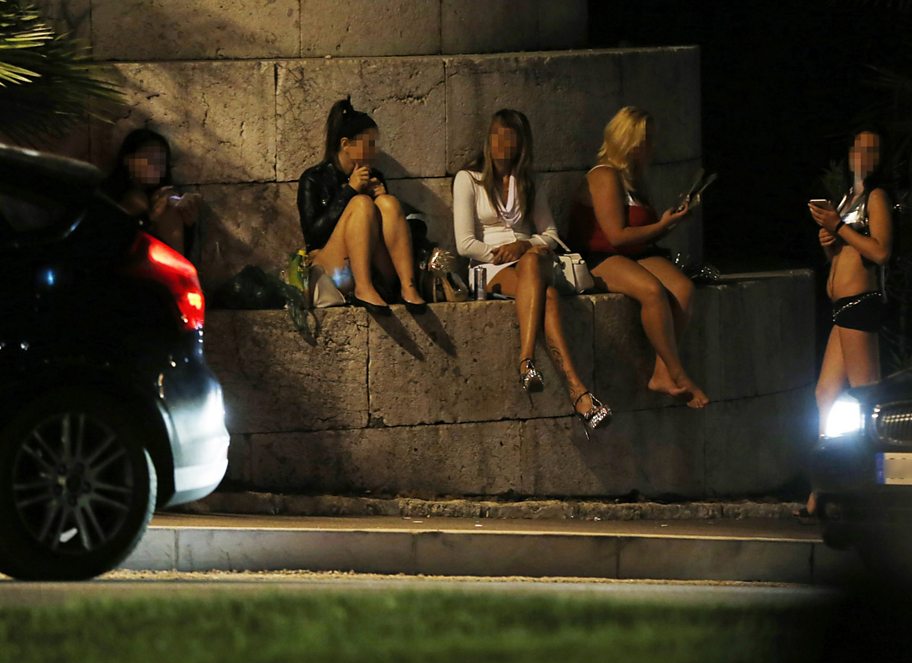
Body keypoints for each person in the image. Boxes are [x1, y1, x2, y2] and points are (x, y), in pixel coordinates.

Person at [454, 109, 611, 435]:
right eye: (496, 134)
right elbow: (465, 243)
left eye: (509, 137)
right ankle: (576, 391)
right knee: (548, 295)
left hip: (529, 263)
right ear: (488, 137)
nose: (501, 143)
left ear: (520, 144)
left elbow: (551, 234)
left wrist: (523, 246)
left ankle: (530, 364)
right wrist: (501, 254)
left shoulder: (527, 182)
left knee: (533, 268)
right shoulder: (468, 179)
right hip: (488, 267)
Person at [569, 106, 708, 409]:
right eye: (647, 141)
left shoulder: (633, 179)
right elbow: (616, 235)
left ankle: (661, 371)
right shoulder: (604, 175)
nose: (652, 148)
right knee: (652, 291)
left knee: (683, 289)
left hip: (636, 252)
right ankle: (678, 371)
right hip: (600, 255)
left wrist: (670, 222)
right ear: (630, 141)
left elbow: (644, 232)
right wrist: (661, 225)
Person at [807, 127, 894, 514]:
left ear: (879, 158)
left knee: (866, 398)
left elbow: (880, 252)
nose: (862, 154)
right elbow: (844, 257)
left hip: (861, 303)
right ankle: (827, 484)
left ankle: (873, 485)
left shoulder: (876, 197)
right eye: (857, 147)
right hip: (841, 307)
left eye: (871, 149)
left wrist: (839, 228)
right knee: (825, 395)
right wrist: (830, 244)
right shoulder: (846, 199)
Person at [297, 98, 426, 313]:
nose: (374, 151)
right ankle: (363, 287)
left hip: (377, 266)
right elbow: (313, 236)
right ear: (346, 144)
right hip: (334, 270)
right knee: (361, 204)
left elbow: (393, 234)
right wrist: (349, 191)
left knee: (387, 203)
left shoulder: (376, 177)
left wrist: (380, 198)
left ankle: (407, 286)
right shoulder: (314, 178)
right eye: (369, 144)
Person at [101, 129, 202, 258]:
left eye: (161, 161)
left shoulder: (163, 197)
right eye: (149, 159)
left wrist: (188, 222)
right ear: (128, 159)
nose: (156, 166)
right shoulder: (112, 195)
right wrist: (150, 220)